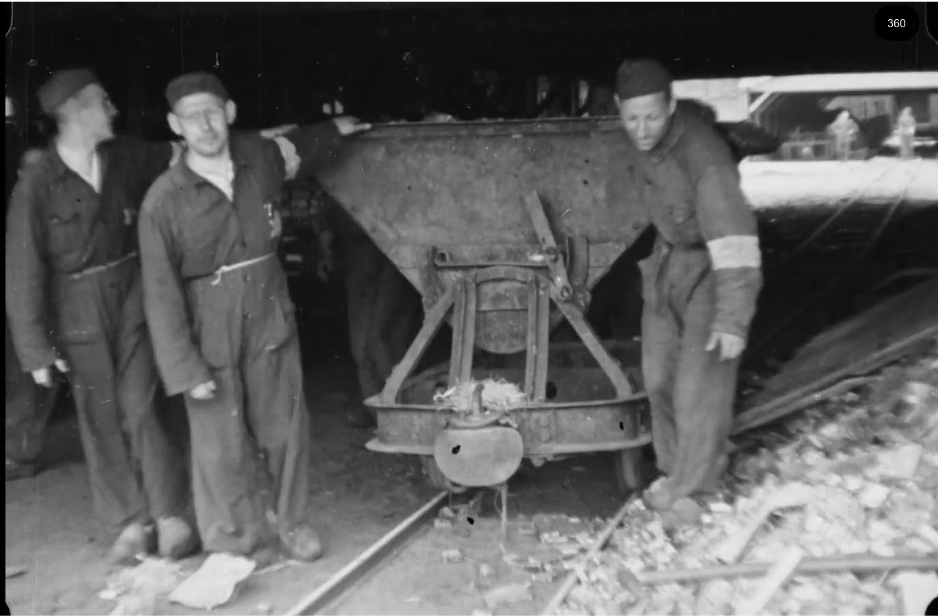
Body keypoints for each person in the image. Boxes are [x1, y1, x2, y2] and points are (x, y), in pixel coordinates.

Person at [137, 72, 370, 563]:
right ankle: (231, 539)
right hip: (207, 325)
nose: (204, 124)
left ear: (230, 114)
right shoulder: (163, 199)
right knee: (217, 442)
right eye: (192, 116)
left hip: (267, 313)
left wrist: (339, 129)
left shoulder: (259, 159)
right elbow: (159, 294)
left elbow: (298, 146)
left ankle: (292, 522)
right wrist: (183, 368)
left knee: (285, 427)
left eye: (212, 112)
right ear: (174, 125)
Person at [5, 69, 195, 563]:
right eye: (103, 102)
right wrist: (33, 349)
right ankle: (130, 522)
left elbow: (184, 149)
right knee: (100, 414)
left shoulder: (125, 155)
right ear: (75, 111)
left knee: (142, 403)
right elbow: (22, 268)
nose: (112, 110)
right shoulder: (37, 184)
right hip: (76, 310)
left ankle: (170, 513)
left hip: (131, 296)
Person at [612, 59, 763, 527]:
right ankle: (675, 473)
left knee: (699, 385)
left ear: (671, 106)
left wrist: (733, 318)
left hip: (713, 268)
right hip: (668, 264)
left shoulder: (705, 155)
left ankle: (695, 489)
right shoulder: (641, 142)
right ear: (618, 109)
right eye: (631, 118)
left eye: (652, 117)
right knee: (658, 377)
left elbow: (736, 238)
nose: (641, 128)